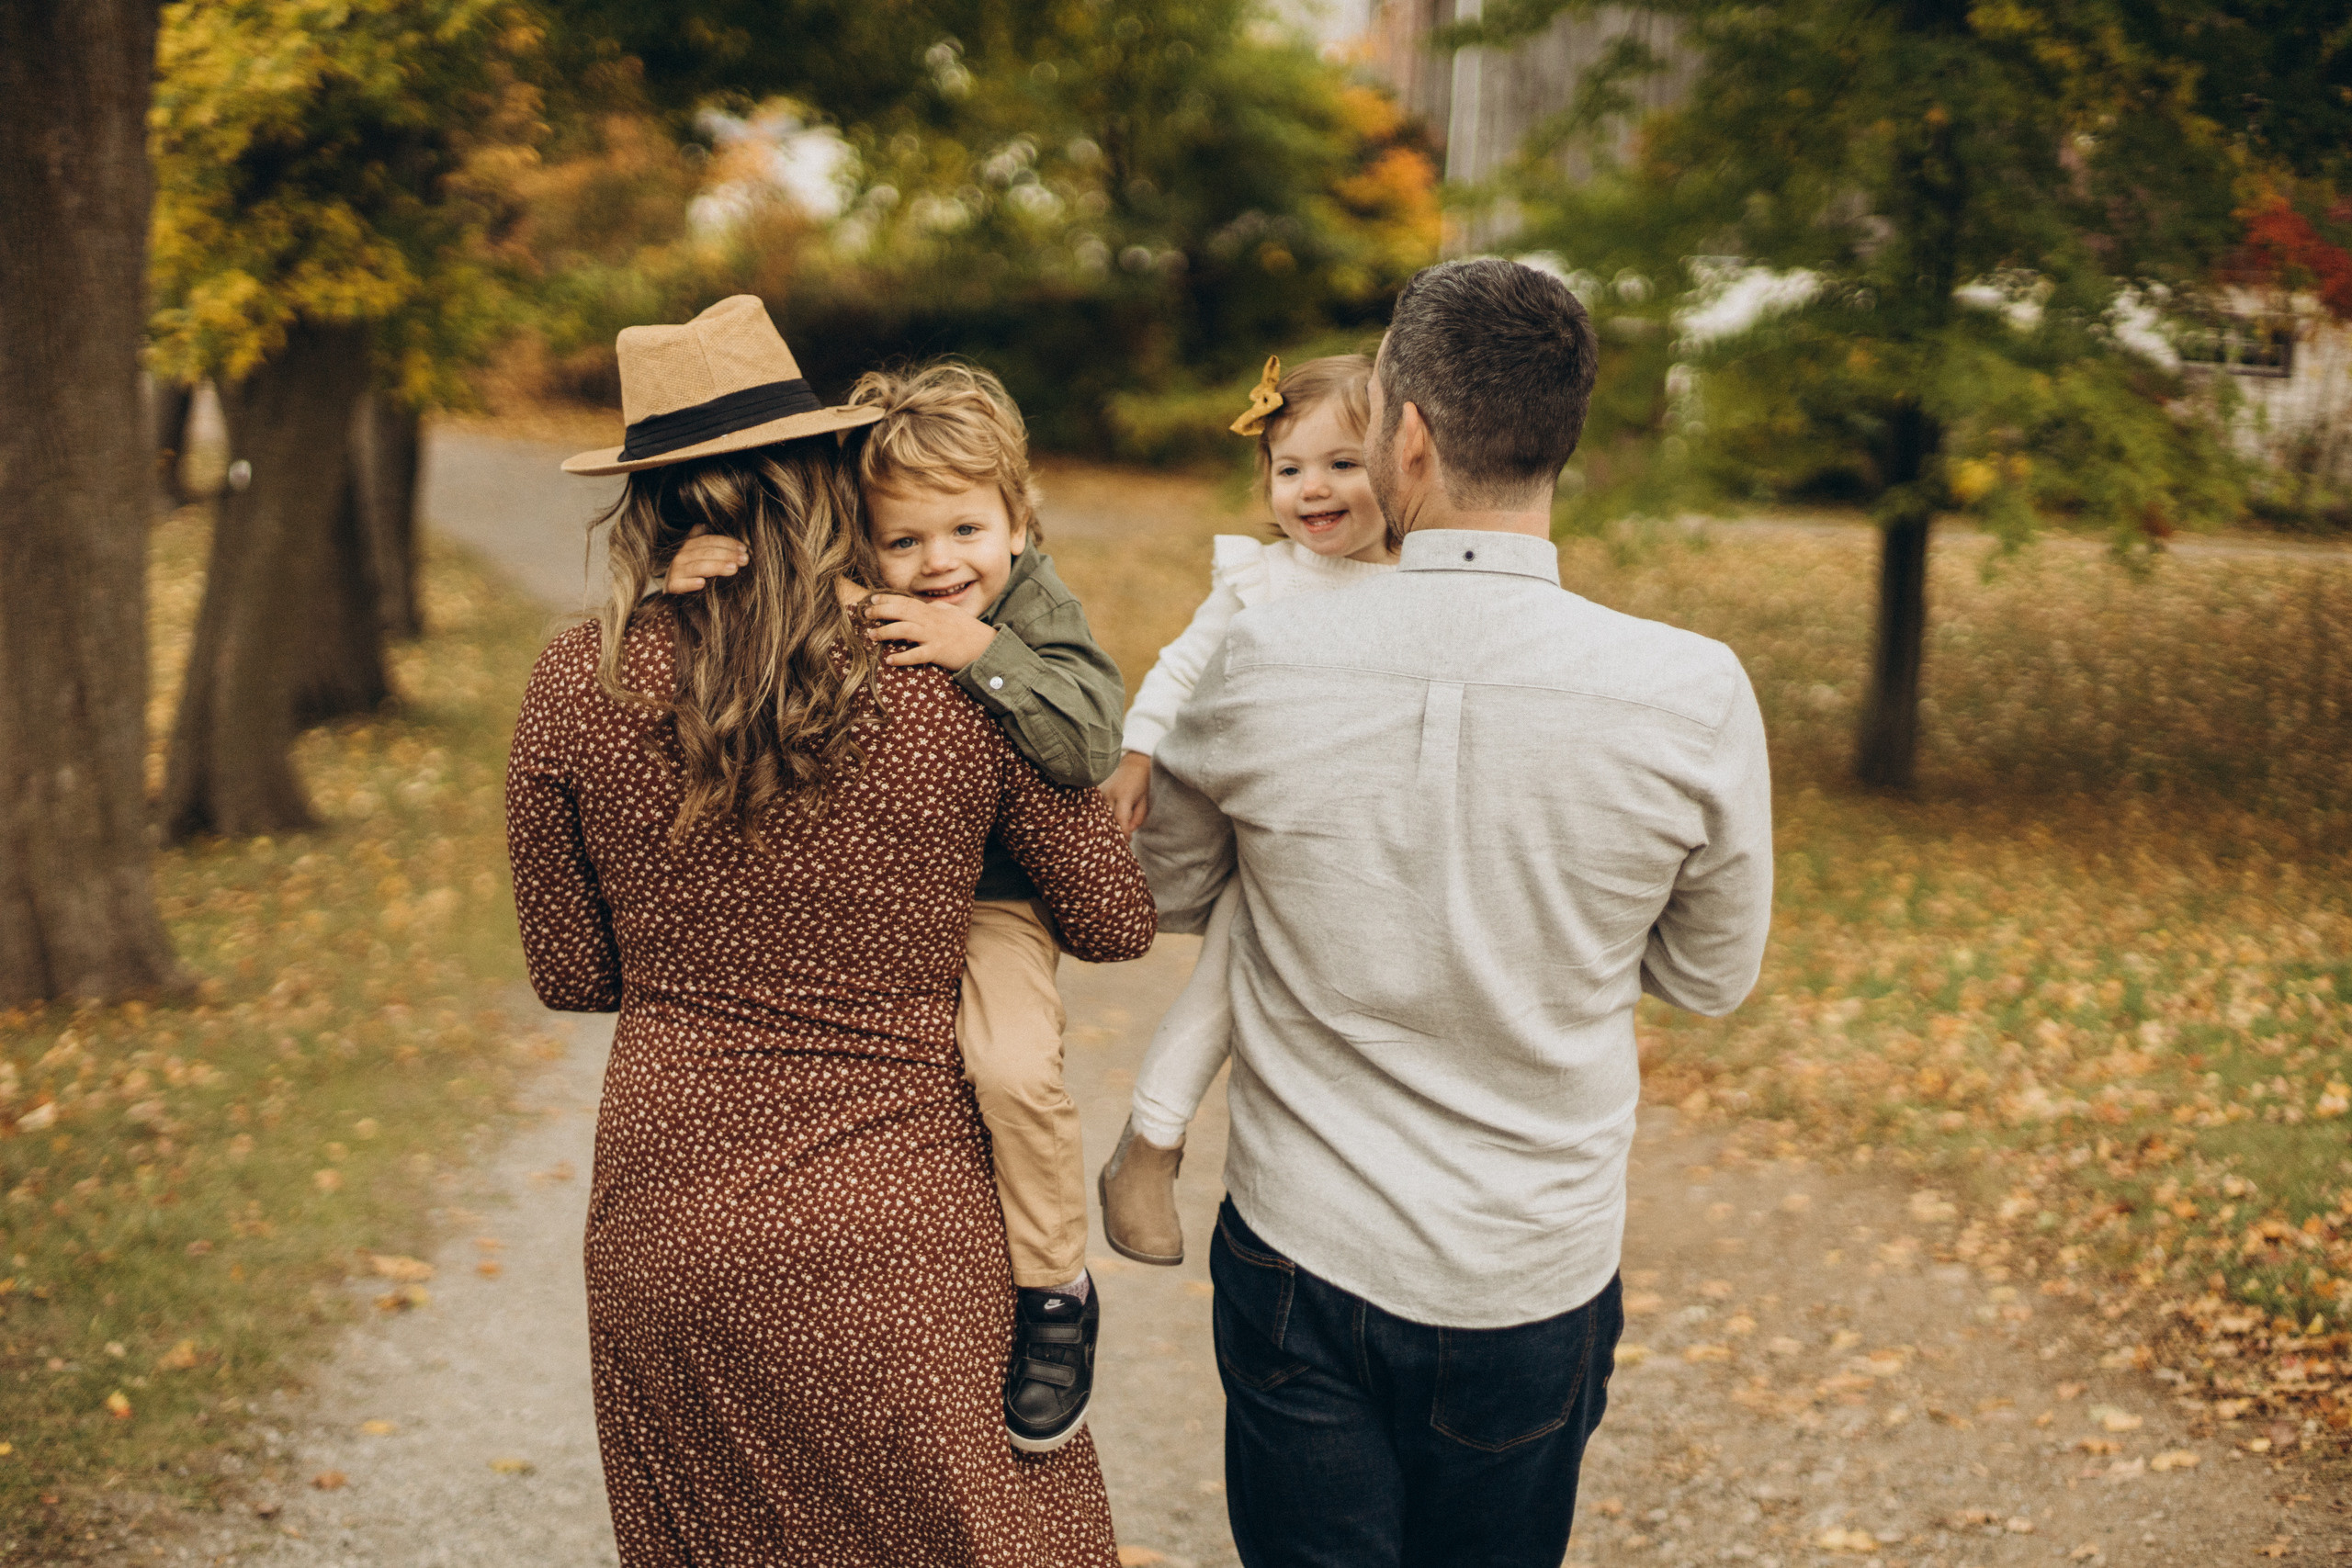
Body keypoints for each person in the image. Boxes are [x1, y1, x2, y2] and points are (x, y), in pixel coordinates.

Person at [1133, 258, 1775, 1568]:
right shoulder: (1693, 690)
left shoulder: (1260, 655)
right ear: (1564, 439)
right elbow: (1711, 975)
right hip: (1530, 1263)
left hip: (1306, 1242)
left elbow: (1169, 889)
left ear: (1406, 437)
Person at [507, 295, 1156, 1565]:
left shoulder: (575, 680)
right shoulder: (944, 670)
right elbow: (1114, 918)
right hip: (903, 1227)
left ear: (647, 502)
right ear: (830, 479)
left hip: (667, 1217)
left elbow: (572, 968)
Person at [662, 359, 1126, 1451]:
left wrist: (984, 654)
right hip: (861, 892)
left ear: (1017, 522)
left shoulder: (1033, 609)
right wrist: (681, 581)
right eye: (903, 543)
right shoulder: (854, 597)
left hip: (990, 904)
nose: (937, 566)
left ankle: (1057, 1287)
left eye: (964, 530)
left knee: (1009, 1066)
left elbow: (1089, 742)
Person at [1093, 354, 1395, 1267]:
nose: (1312, 489)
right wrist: (1140, 752)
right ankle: (1150, 1142)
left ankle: (1365, 1177)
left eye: (1342, 463)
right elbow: (1183, 667)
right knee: (1226, 978)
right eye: (1288, 468)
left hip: (1377, 843)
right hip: (1271, 837)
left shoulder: (1428, 584)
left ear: (1402, 462)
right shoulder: (1261, 583)